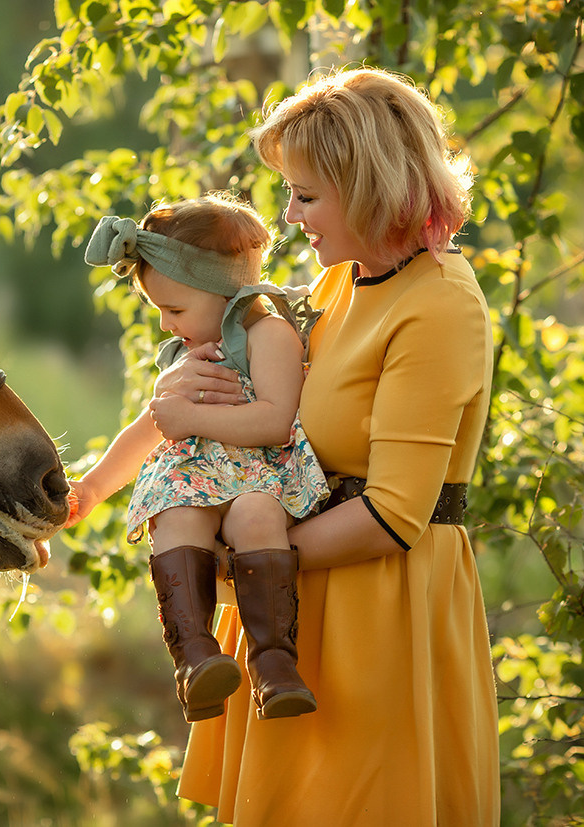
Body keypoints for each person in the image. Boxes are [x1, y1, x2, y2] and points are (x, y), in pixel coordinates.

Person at [160, 68, 501, 825]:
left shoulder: (440, 302)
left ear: (371, 186)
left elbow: (395, 513)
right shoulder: (339, 285)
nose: (291, 215)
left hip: (381, 610)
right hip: (291, 600)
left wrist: (245, 560)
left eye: (307, 195)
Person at [66, 193, 330, 724]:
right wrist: (92, 488)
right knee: (177, 517)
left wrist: (191, 421)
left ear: (224, 290)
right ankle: (194, 657)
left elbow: (276, 420)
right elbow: (148, 428)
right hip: (193, 482)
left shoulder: (269, 335)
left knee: (257, 515)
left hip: (261, 474)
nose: (165, 325)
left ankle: (275, 664)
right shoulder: (186, 356)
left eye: (174, 309)